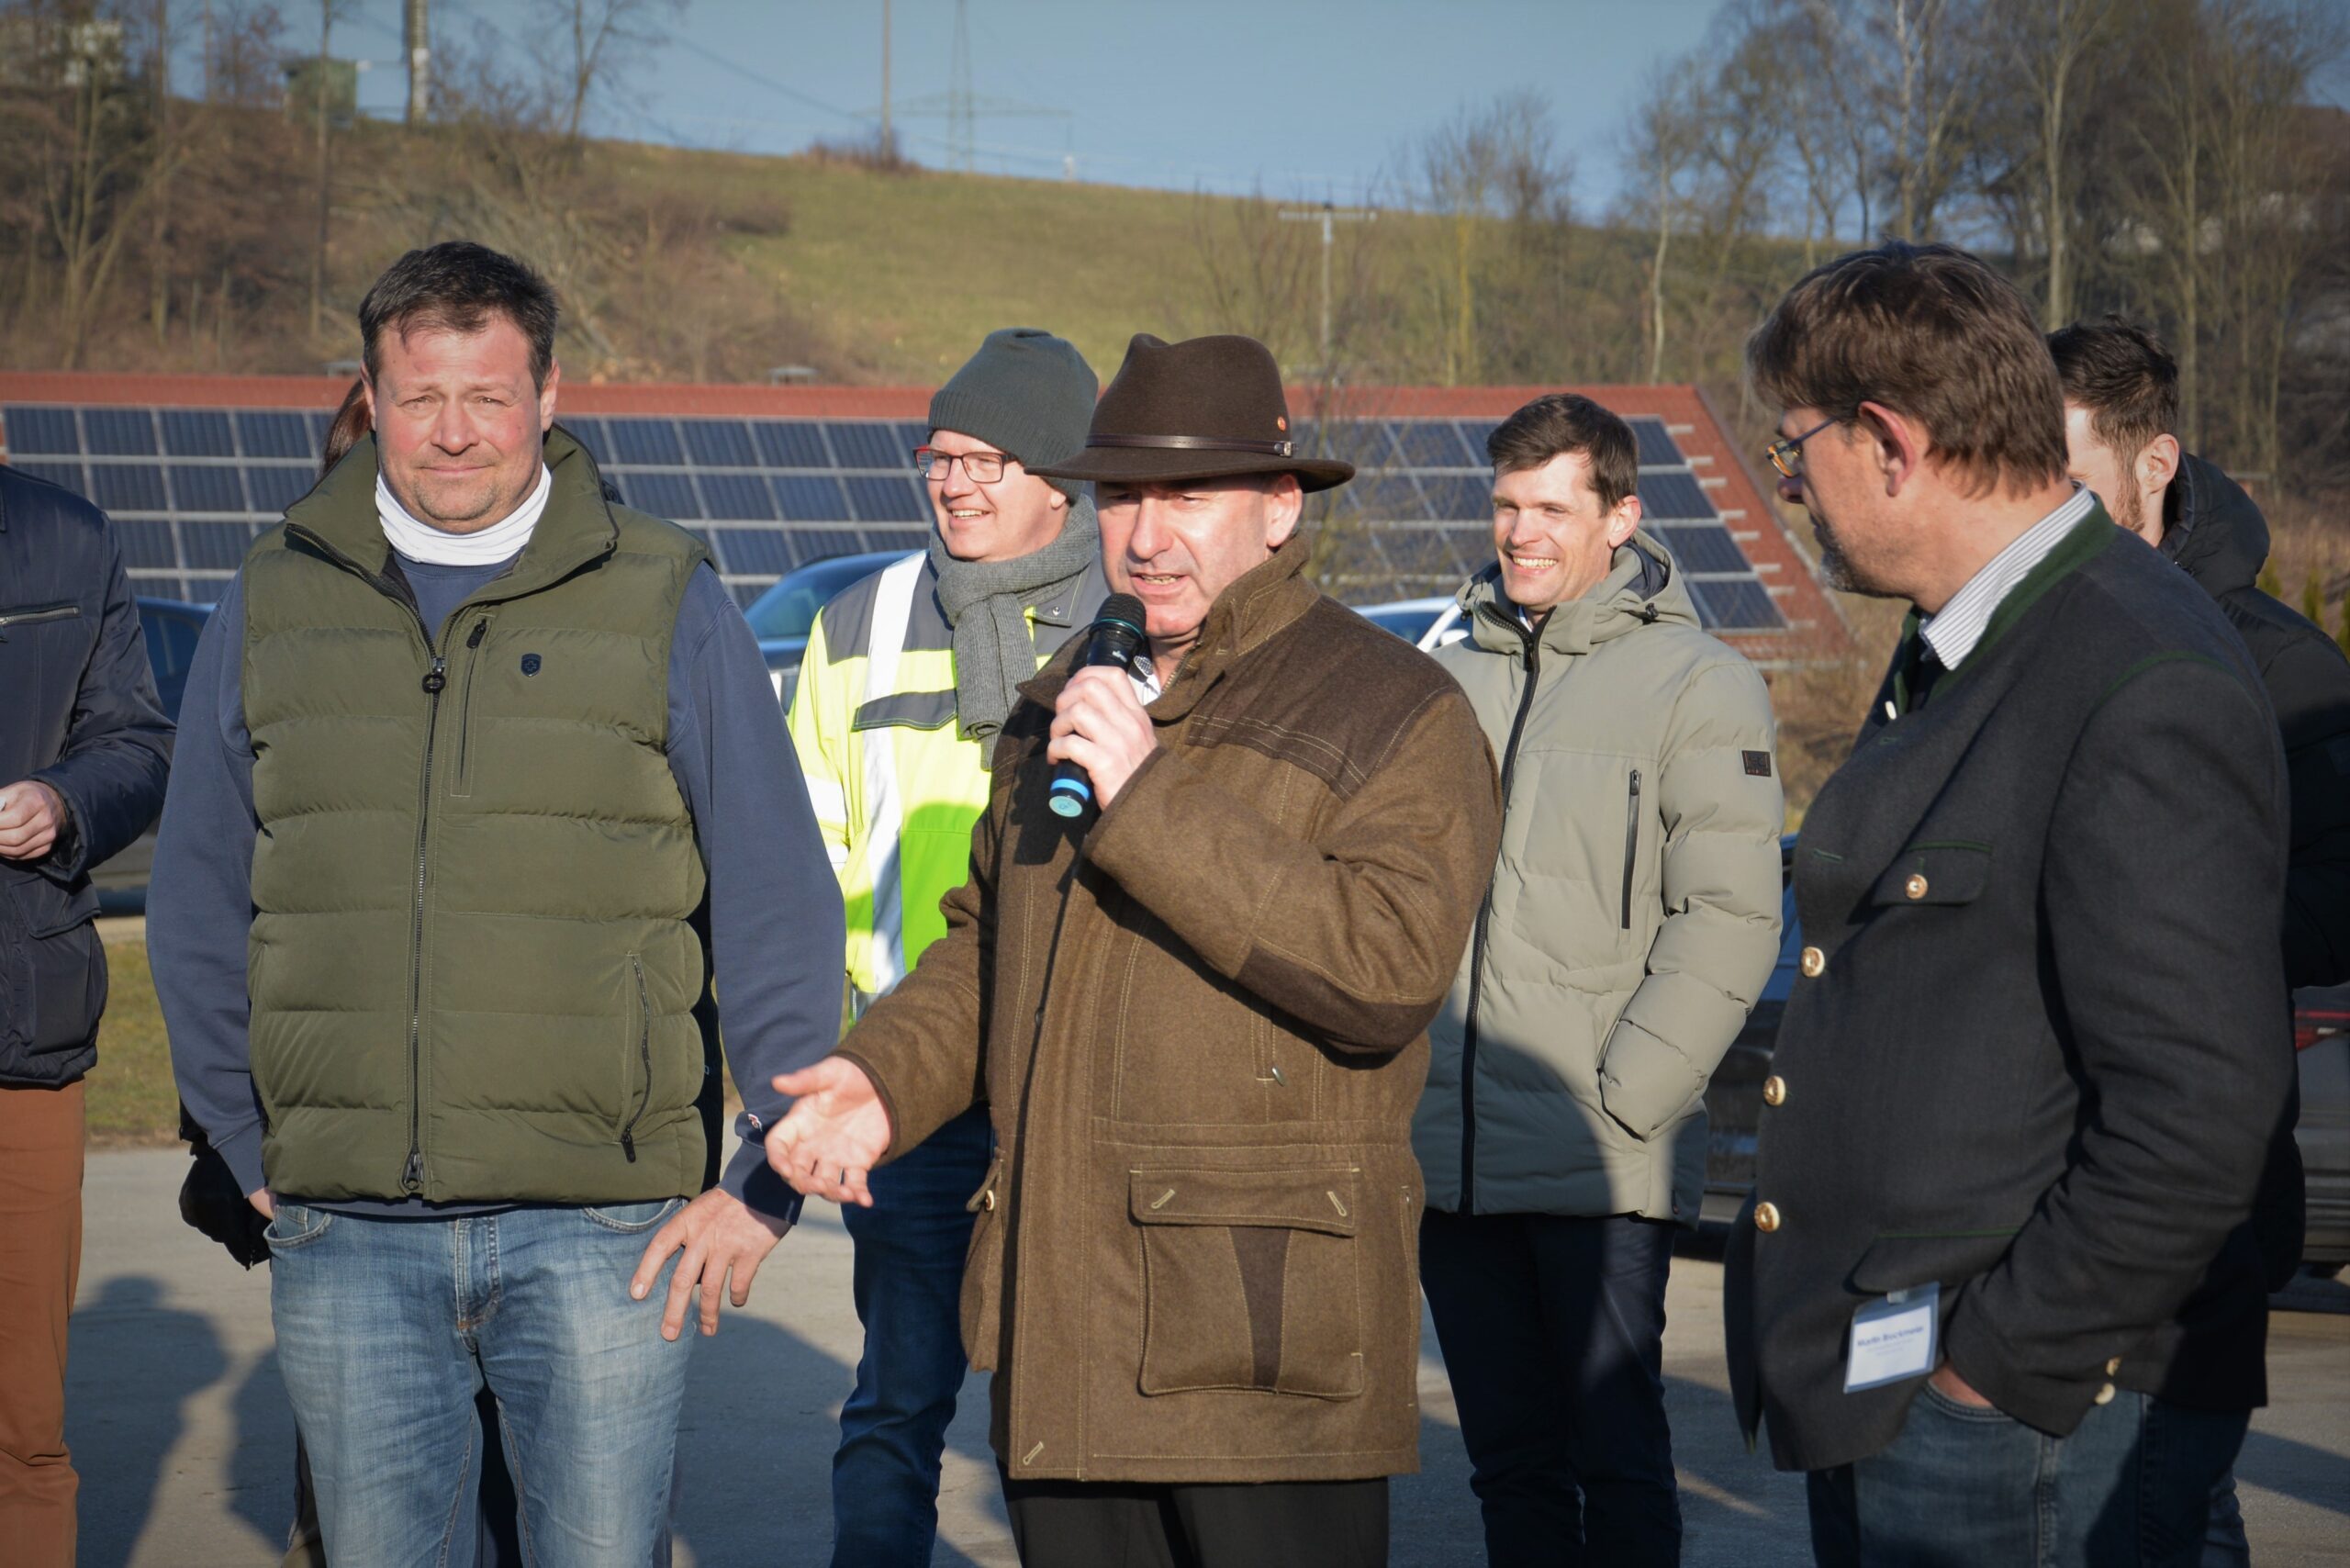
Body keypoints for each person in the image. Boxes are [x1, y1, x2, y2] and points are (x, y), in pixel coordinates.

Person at [149, 241, 845, 1564]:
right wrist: (244, 1140)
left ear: (549, 395)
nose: (453, 434)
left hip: (602, 1236)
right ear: (372, 395)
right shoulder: (273, 594)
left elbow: (774, 903)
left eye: (487, 396)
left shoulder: (663, 598)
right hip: (344, 1233)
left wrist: (768, 1175)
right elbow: (195, 894)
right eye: (420, 398)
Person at [767, 332, 1503, 1568]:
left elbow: (1383, 970)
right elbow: (987, 941)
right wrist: (878, 1076)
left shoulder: (1394, 709)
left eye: (1187, 497)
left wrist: (1150, 798)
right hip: (1069, 1339)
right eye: (1123, 496)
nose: (1145, 534)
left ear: (1279, 509)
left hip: (1260, 1357)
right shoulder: (1067, 695)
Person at [1724, 241, 2294, 1568]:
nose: (1785, 482)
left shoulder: (2132, 668)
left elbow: (2200, 1109)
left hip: (2024, 1427)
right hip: (1911, 1392)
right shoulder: (1977, 641)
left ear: (1889, 441)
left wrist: (1990, 1366)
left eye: (1793, 445)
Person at [1415, 392, 1784, 1565]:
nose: (1520, 531)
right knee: (1507, 1466)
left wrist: (1623, 1100)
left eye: (1551, 507)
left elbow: (1728, 917)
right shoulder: (1443, 678)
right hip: (1449, 1156)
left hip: (1596, 1151)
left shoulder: (1696, 681)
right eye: (1506, 504)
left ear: (1620, 517)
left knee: (1616, 1458)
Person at [788, 326, 1103, 1566]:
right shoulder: (857, 622)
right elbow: (806, 863)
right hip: (905, 1088)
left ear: (1061, 478)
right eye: (941, 456)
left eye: (990, 458)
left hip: (1070, 1086)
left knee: (1064, 1421)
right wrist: (834, 1063)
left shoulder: (1134, 622)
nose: (956, 481)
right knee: (896, 1403)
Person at [2050, 314, 2350, 1566]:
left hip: (2189, 1202)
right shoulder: (1981, 642)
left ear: (2153, 464)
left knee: (2150, 1516)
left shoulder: (2284, 671)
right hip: (2012, 1198)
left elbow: (2337, 895)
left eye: (2058, 479)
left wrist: (2148, 937)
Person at [0, 465, 174, 1567]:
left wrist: (62, 800)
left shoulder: (69, 538)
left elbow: (137, 746)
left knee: (23, 1431)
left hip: (21, 1035)